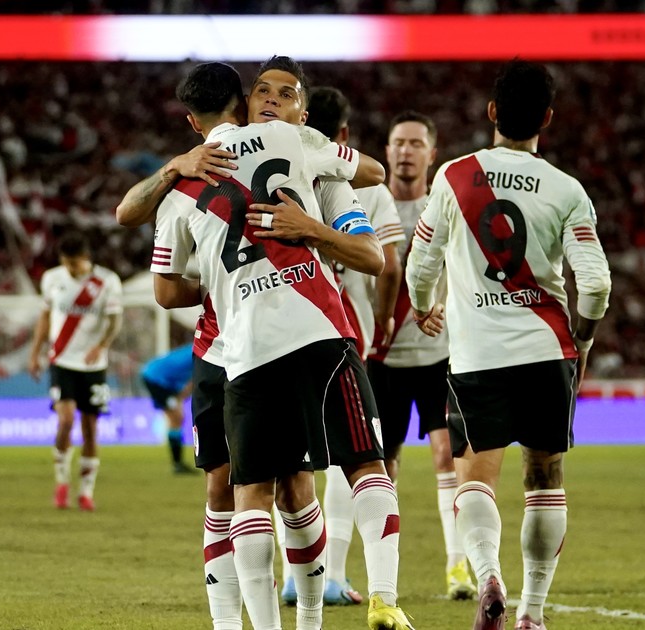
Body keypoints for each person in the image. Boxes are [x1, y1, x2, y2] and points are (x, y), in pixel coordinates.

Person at [152, 59, 412, 630]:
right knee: (298, 479)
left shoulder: (184, 186)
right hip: (288, 335)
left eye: (285, 93)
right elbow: (375, 172)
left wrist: (232, 269)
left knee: (265, 490)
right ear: (242, 103)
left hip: (249, 346)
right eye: (262, 91)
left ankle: (311, 617)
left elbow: (162, 283)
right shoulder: (291, 145)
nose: (271, 100)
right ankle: (367, 600)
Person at [406, 60, 612, 630]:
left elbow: (421, 265)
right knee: (545, 478)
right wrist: (584, 340)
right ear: (547, 118)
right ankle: (532, 613)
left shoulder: (454, 176)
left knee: (475, 477)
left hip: (478, 357)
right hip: (547, 352)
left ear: (492, 111)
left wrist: (422, 306)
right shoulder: (567, 190)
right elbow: (595, 283)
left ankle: (488, 575)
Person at [276, 85, 406, 608]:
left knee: (286, 462)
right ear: (344, 134)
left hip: (276, 330)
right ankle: (338, 576)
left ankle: (296, 575)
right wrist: (384, 320)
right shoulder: (362, 185)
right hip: (341, 328)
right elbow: (386, 264)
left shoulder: (263, 170)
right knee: (352, 456)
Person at [370, 109, 477, 600]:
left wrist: (444, 308)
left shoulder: (446, 207)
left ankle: (457, 566)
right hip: (383, 358)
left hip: (439, 356)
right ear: (387, 151)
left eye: (416, 143)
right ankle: (383, 576)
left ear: (432, 154)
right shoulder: (368, 205)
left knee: (446, 455)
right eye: (399, 143)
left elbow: (464, 272)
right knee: (382, 466)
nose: (406, 151)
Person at [28, 232, 123, 512]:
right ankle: (61, 483)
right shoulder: (51, 279)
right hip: (61, 361)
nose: (70, 269)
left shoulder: (107, 281)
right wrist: (35, 352)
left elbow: (115, 321)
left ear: (86, 258)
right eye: (66, 263)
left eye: (75, 264)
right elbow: (45, 316)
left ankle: (86, 491)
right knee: (66, 420)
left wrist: (101, 346)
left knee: (90, 428)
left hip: (93, 366)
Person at [140, 344, 198, 474]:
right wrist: (180, 397)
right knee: (176, 417)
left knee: (177, 418)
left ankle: (178, 463)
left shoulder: (196, 347)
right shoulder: (202, 355)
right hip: (156, 379)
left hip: (159, 378)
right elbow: (194, 381)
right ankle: (177, 464)